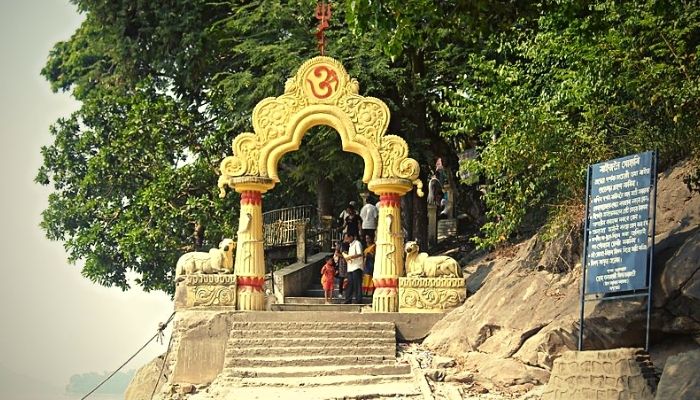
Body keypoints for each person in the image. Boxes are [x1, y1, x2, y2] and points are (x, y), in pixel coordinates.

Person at [342, 232, 363, 304]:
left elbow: (360, 254)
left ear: (351, 237)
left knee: (357, 284)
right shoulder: (350, 246)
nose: (346, 240)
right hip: (350, 267)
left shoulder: (357, 243)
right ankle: (348, 299)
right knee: (349, 284)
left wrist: (350, 257)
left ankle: (358, 300)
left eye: (347, 238)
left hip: (357, 267)